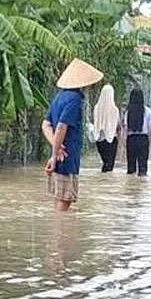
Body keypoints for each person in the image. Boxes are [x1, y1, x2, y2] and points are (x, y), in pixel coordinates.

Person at [42, 58, 104, 212]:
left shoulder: (59, 97)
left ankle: (59, 233)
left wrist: (55, 148)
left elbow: (46, 124)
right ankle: (61, 234)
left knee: (60, 199)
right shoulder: (75, 99)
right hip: (67, 157)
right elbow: (62, 126)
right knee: (65, 200)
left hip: (61, 154)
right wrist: (56, 154)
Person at [122, 88, 151, 176]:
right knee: (143, 168)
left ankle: (130, 187)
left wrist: (124, 144)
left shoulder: (128, 112)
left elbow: (125, 128)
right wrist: (149, 142)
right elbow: (150, 129)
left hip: (131, 140)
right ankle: (141, 185)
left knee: (131, 169)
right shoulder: (147, 111)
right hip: (143, 139)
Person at [92, 85, 120, 172]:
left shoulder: (96, 108)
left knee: (105, 164)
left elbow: (95, 121)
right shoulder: (115, 110)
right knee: (110, 166)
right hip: (112, 140)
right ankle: (108, 184)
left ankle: (102, 182)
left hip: (99, 140)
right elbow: (118, 125)